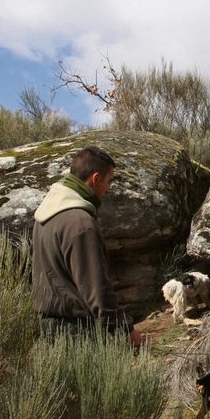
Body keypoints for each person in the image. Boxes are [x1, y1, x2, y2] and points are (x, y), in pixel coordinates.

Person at [32, 146, 142, 347]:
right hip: (75, 334)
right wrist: (125, 329)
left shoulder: (45, 215)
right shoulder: (80, 224)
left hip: (46, 330)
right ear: (96, 178)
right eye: (109, 182)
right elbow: (97, 291)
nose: (108, 189)